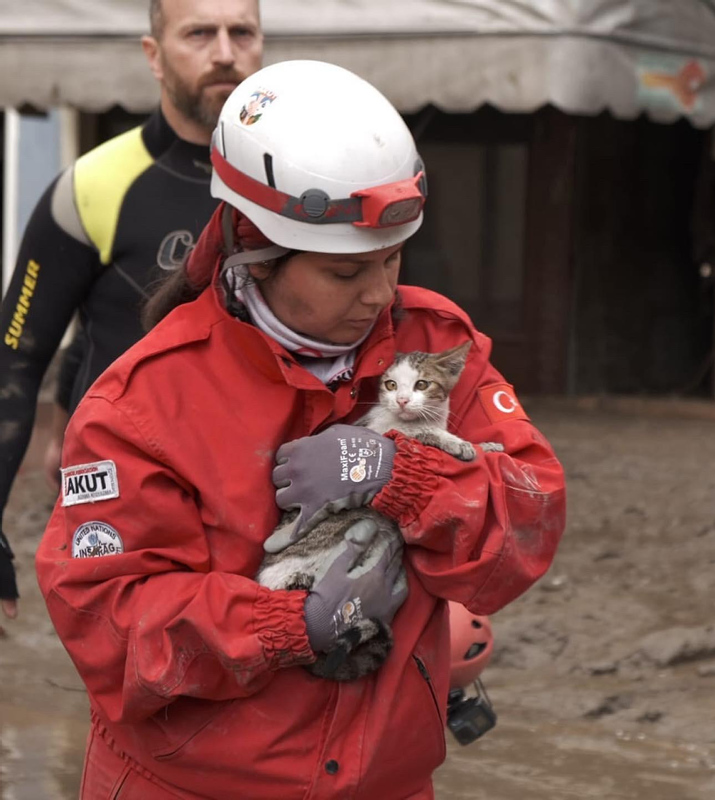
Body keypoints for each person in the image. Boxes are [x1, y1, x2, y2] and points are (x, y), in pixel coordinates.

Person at [35, 60, 567, 799]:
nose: (380, 294)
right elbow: (108, 624)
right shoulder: (144, 403)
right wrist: (294, 623)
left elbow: (528, 525)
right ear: (255, 251)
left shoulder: (437, 346)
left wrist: (400, 478)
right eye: (346, 275)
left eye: (392, 259)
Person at [0, 0, 264, 620]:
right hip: (127, 499)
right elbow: (16, 361)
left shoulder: (300, 181)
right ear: (154, 55)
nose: (224, 52)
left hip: (262, 501)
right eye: (200, 33)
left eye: (241, 32)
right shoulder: (92, 186)